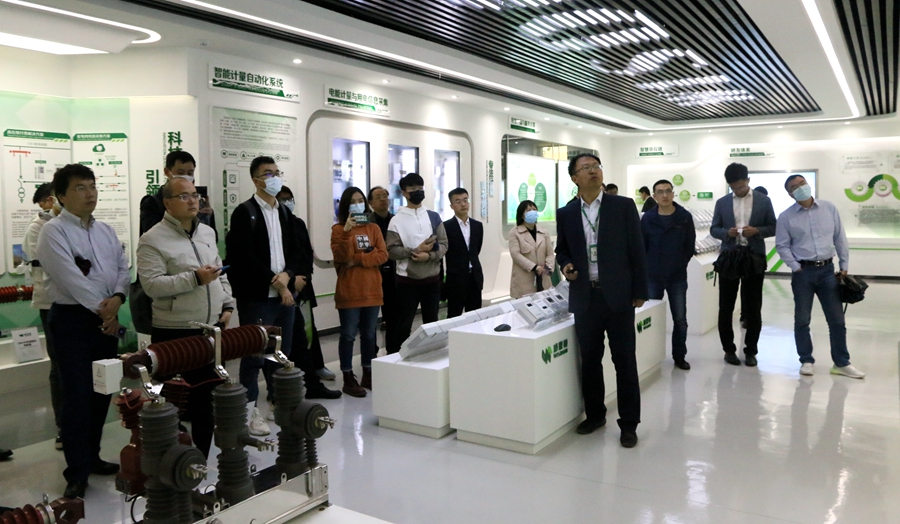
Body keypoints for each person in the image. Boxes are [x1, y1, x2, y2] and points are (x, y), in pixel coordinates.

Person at [36, 164, 128, 499]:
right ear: (61, 195)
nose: (90, 193)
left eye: (92, 186)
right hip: (72, 321)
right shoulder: (53, 232)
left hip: (106, 318)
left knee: (102, 391)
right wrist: (107, 312)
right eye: (80, 188)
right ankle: (76, 471)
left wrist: (118, 298)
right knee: (76, 396)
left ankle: (92, 456)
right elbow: (70, 279)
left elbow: (122, 267)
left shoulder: (105, 230)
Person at [136, 177, 235, 458]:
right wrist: (194, 278)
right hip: (174, 332)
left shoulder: (206, 233)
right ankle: (171, 460)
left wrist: (227, 305)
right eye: (184, 196)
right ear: (167, 203)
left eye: (195, 195)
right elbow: (152, 286)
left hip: (209, 329)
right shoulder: (152, 239)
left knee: (207, 401)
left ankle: (200, 458)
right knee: (173, 404)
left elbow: (219, 272)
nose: (193, 201)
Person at [556, 153, 648, 448]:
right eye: (586, 168)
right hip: (586, 297)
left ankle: (629, 424)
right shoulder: (567, 212)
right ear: (575, 178)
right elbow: (562, 250)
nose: (593, 171)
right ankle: (595, 415)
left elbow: (637, 249)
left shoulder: (622, 206)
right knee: (590, 362)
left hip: (619, 296)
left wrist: (640, 290)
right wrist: (566, 265)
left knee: (625, 361)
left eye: (596, 166)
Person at [225, 156, 303, 437]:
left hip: (284, 294)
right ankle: (249, 411)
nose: (274, 177)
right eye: (267, 173)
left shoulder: (283, 212)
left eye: (276, 172)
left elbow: (295, 250)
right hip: (258, 295)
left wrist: (288, 275)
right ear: (255, 180)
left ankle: (275, 402)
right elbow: (244, 257)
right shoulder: (244, 212)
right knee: (254, 354)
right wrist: (277, 282)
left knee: (280, 352)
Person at [775, 175, 865, 379]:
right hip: (803, 274)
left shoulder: (828, 208)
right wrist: (796, 267)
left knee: (837, 320)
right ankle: (806, 360)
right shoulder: (786, 217)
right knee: (802, 319)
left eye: (802, 183)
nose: (800, 188)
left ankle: (842, 363)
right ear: (790, 194)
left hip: (827, 271)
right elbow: (782, 245)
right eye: (794, 187)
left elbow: (839, 237)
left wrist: (844, 265)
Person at [276, 186, 341, 399]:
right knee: (281, 340)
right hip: (279, 289)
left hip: (302, 287)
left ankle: (313, 375)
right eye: (282, 199)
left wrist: (302, 278)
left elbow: (305, 254)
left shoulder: (298, 223)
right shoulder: (271, 224)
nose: (287, 202)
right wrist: (290, 278)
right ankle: (281, 385)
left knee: (307, 333)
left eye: (289, 198)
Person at [710, 163, 776, 367]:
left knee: (753, 307)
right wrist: (726, 233)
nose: (738, 191)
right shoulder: (722, 203)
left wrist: (757, 231)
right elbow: (714, 228)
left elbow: (773, 226)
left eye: (741, 186)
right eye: (733, 188)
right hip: (729, 258)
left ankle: (751, 351)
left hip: (753, 258)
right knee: (726, 306)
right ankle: (728, 350)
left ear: (748, 180)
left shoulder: (763, 200)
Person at [331, 187, 389, 397]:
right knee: (348, 335)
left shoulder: (373, 228)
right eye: (353, 201)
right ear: (346, 206)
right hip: (350, 291)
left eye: (360, 200)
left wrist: (357, 259)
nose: (358, 204)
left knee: (369, 334)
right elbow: (341, 257)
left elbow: (382, 255)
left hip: (372, 289)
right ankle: (348, 376)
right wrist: (347, 232)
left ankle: (368, 373)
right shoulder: (338, 229)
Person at [385, 173, 448, 352]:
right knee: (404, 324)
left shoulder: (433, 217)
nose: (418, 191)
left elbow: (444, 244)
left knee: (432, 323)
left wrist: (429, 256)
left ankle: (431, 356)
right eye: (413, 189)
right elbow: (391, 250)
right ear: (404, 193)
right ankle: (400, 357)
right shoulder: (396, 220)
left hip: (432, 279)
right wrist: (415, 250)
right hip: (407, 282)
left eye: (420, 188)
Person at [22, 183, 62, 450]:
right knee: (58, 365)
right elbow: (52, 261)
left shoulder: (75, 223)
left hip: (78, 302)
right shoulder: (38, 227)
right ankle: (63, 427)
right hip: (51, 303)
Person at [641, 179, 696, 370]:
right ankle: (649, 358)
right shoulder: (648, 219)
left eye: (667, 191)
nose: (664, 195)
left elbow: (689, 246)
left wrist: (680, 263)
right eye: (660, 192)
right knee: (651, 318)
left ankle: (679, 356)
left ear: (673, 193)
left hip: (677, 277)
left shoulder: (684, 217)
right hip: (653, 277)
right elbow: (642, 246)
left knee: (680, 319)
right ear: (654, 196)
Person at [140, 151, 216, 237]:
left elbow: (211, 237)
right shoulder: (152, 203)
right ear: (167, 172)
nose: (186, 177)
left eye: (190, 173)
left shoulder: (198, 200)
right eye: (180, 173)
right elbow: (152, 236)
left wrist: (207, 216)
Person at [443, 188, 483, 317]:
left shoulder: (477, 226)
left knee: (475, 315)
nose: (463, 204)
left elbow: (476, 250)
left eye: (465, 200)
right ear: (452, 206)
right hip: (456, 279)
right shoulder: (446, 227)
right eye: (458, 201)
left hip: (474, 277)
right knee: (454, 315)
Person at [368, 186, 398, 353]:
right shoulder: (367, 222)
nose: (383, 199)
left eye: (385, 196)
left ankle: (392, 351)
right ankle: (370, 352)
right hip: (373, 273)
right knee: (370, 318)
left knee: (393, 316)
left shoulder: (396, 220)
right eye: (378, 197)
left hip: (393, 274)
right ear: (371, 203)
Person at [508, 200, 554, 298]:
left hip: (543, 278)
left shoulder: (543, 232)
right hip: (524, 281)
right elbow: (515, 254)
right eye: (528, 210)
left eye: (534, 209)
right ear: (522, 215)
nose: (532, 212)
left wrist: (548, 268)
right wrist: (533, 267)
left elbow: (550, 253)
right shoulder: (515, 233)